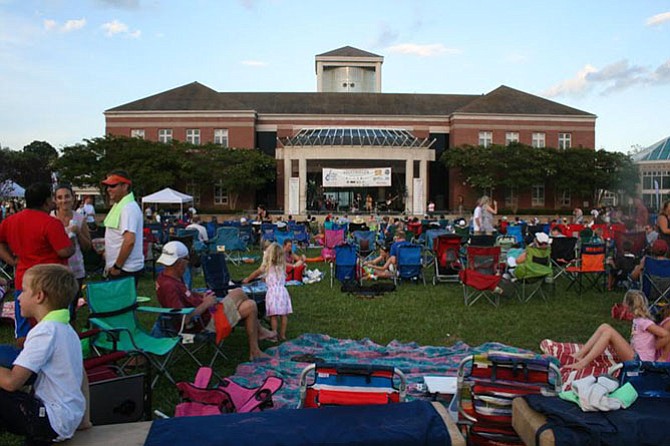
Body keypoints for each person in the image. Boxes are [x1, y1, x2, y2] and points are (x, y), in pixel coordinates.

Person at [0, 264, 85, 444]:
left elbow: (12, 383)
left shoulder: (45, 332)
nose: (19, 297)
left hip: (50, 420)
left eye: (23, 291)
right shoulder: (66, 329)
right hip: (67, 417)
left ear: (39, 296)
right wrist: (85, 421)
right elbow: (82, 376)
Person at [155, 241, 275, 360]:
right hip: (204, 324)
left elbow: (185, 295)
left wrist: (200, 295)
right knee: (239, 292)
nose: (187, 264)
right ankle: (259, 336)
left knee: (250, 305)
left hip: (207, 315)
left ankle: (255, 351)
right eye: (186, 260)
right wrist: (206, 303)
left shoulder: (168, 277)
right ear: (179, 262)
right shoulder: (169, 286)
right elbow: (184, 319)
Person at [0, 183, 74, 347]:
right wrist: (72, 239)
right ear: (47, 201)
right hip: (52, 285)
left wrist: (11, 261)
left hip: (23, 282)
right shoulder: (51, 223)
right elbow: (65, 251)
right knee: (55, 329)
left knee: (25, 331)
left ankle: (25, 364)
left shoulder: (10, 221)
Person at [565, 290, 670, 370]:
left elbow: (666, 334)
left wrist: (658, 349)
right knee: (604, 326)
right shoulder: (638, 320)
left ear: (628, 306)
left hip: (640, 362)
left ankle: (583, 363)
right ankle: (580, 355)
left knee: (609, 333)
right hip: (635, 354)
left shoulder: (644, 322)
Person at [51, 184, 92, 322]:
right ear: (55, 200)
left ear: (73, 198)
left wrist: (78, 232)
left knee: (71, 310)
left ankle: (71, 338)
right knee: (55, 309)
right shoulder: (50, 219)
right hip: (54, 270)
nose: (64, 200)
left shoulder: (80, 219)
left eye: (67, 196)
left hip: (75, 270)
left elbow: (88, 247)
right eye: (60, 197)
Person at [102, 170, 144, 287]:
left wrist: (117, 266)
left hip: (125, 269)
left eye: (113, 185)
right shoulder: (121, 205)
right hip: (121, 268)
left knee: (121, 305)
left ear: (125, 186)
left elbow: (129, 241)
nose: (108, 189)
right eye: (107, 186)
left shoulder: (128, 208)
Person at [244, 243, 293, 342]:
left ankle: (274, 334)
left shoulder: (267, 267)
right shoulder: (282, 266)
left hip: (272, 293)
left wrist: (247, 279)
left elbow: (256, 273)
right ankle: (283, 335)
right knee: (284, 315)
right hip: (283, 292)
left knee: (273, 316)